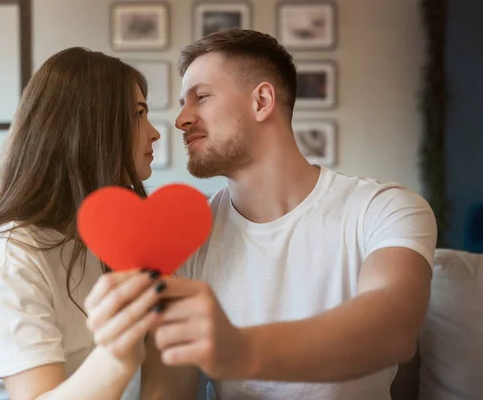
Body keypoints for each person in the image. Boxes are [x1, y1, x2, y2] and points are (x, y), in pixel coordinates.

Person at [86, 29, 438, 399]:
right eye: (182, 103)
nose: (180, 120)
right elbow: (170, 388)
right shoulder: (186, 237)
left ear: (262, 101)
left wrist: (238, 349)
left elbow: (393, 327)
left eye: (201, 97)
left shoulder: (384, 209)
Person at [0, 47, 169, 400]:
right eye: (139, 115)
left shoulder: (110, 237)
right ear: (91, 127)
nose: (155, 133)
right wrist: (120, 352)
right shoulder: (10, 251)